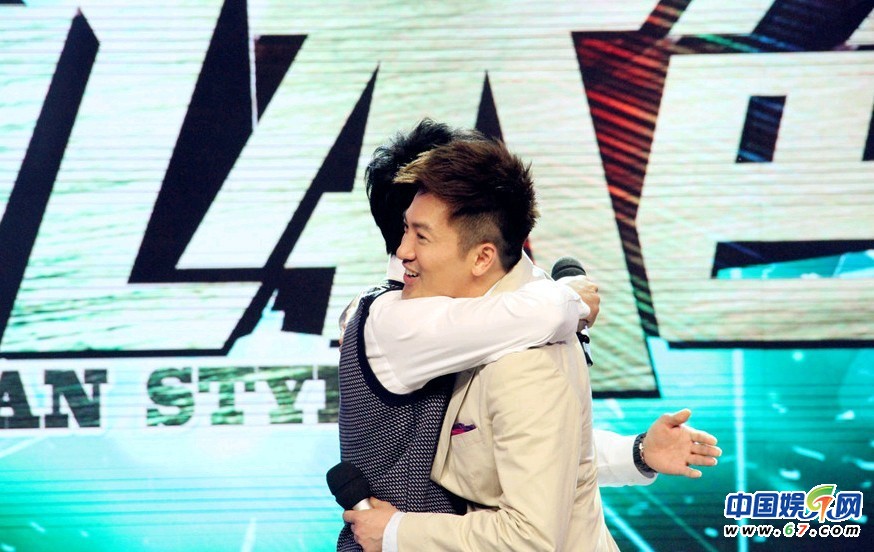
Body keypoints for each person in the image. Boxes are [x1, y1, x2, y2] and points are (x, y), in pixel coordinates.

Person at [336, 121, 721, 551]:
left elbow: (524, 462)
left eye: (422, 233)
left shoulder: (518, 346)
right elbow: (501, 440)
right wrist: (571, 299)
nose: (407, 251)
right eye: (409, 229)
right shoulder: (411, 321)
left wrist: (636, 453)